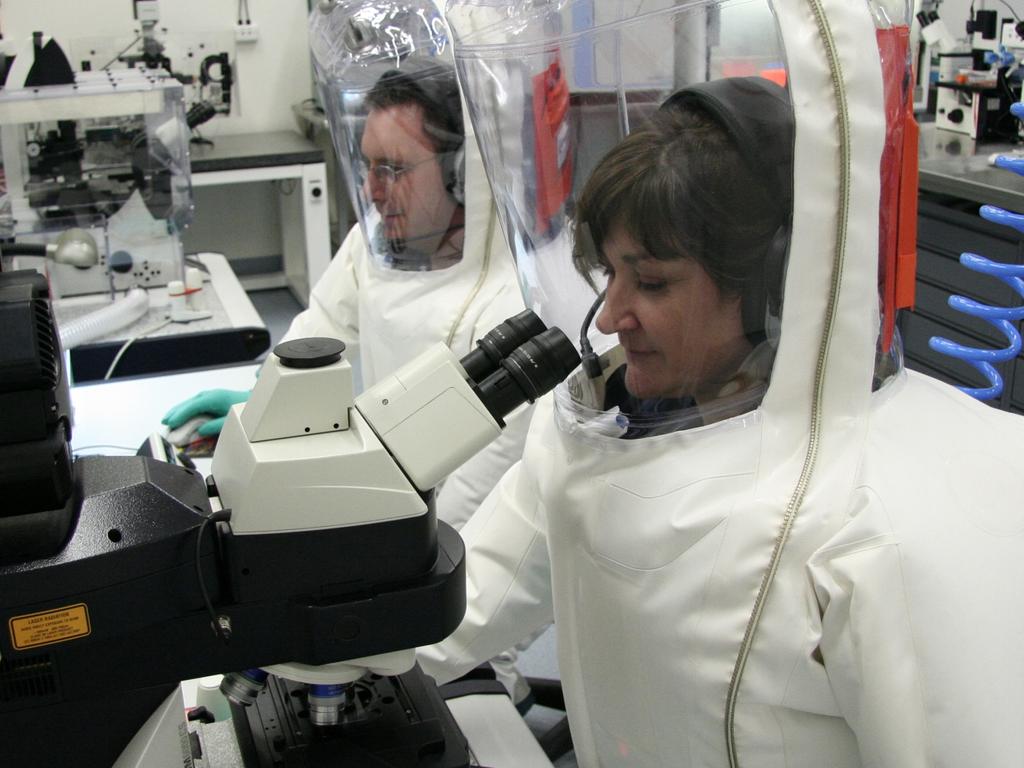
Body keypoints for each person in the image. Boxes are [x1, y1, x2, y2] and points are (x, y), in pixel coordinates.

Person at [420, 1, 1024, 764]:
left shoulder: (872, 524)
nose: (609, 319)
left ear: (769, 291)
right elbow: (465, 610)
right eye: (610, 274)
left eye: (654, 284)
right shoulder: (592, 435)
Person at [164, 0, 536, 707]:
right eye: (365, 167)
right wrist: (257, 412)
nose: (372, 193)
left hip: (447, 636)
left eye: (393, 169)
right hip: (349, 558)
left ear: (464, 176)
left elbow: (446, 530)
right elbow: (312, 338)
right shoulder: (380, 250)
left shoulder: (509, 309)